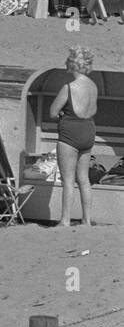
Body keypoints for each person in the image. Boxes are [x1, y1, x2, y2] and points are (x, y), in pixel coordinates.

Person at [50, 47, 99, 227]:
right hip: (88, 131)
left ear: (74, 64)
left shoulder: (68, 88)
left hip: (70, 133)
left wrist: (63, 113)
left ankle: (65, 220)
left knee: (68, 180)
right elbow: (91, 109)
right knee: (84, 179)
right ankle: (86, 220)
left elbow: (53, 112)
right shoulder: (93, 86)